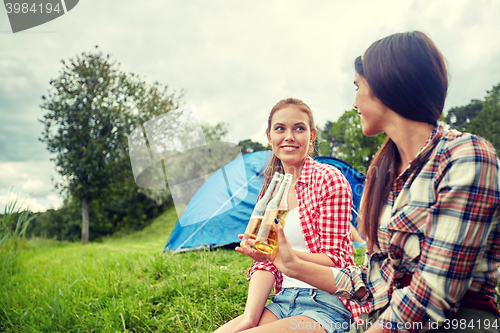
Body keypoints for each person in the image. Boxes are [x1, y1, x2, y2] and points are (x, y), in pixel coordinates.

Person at [242, 31, 500, 333]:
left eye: (358, 87)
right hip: (382, 317)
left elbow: (432, 294)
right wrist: (289, 263)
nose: (354, 102)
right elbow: (374, 281)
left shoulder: (466, 156)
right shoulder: (386, 174)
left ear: (387, 85)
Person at [213, 98, 367, 333]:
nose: (289, 136)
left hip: (327, 304)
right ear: (269, 136)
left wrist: (279, 254)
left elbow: (337, 261)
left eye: (299, 128)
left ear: (312, 135)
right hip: (283, 301)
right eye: (280, 128)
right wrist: (248, 319)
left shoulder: (329, 179)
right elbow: (265, 265)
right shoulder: (271, 191)